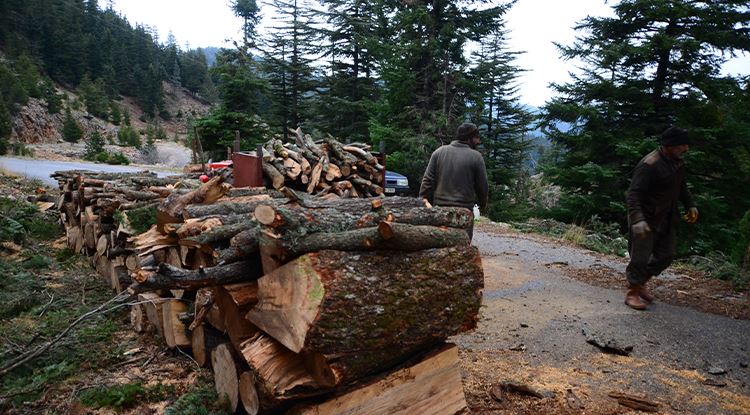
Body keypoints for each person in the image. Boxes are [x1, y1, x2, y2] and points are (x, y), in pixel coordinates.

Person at [624, 126, 698, 310]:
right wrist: (638, 220)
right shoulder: (649, 165)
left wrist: (690, 204)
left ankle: (640, 283)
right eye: (682, 145)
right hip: (645, 218)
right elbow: (633, 195)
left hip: (666, 217)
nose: (686, 149)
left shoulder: (677, 162)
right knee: (640, 257)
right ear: (669, 145)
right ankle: (632, 292)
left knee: (666, 255)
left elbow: (681, 186)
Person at [419, 122, 489, 241]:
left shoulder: (439, 152)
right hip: (464, 211)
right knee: (463, 247)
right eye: (476, 138)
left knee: (439, 243)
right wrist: (483, 205)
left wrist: (423, 199)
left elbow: (428, 180)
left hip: (440, 209)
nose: (478, 142)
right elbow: (482, 186)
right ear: (469, 138)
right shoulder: (476, 157)